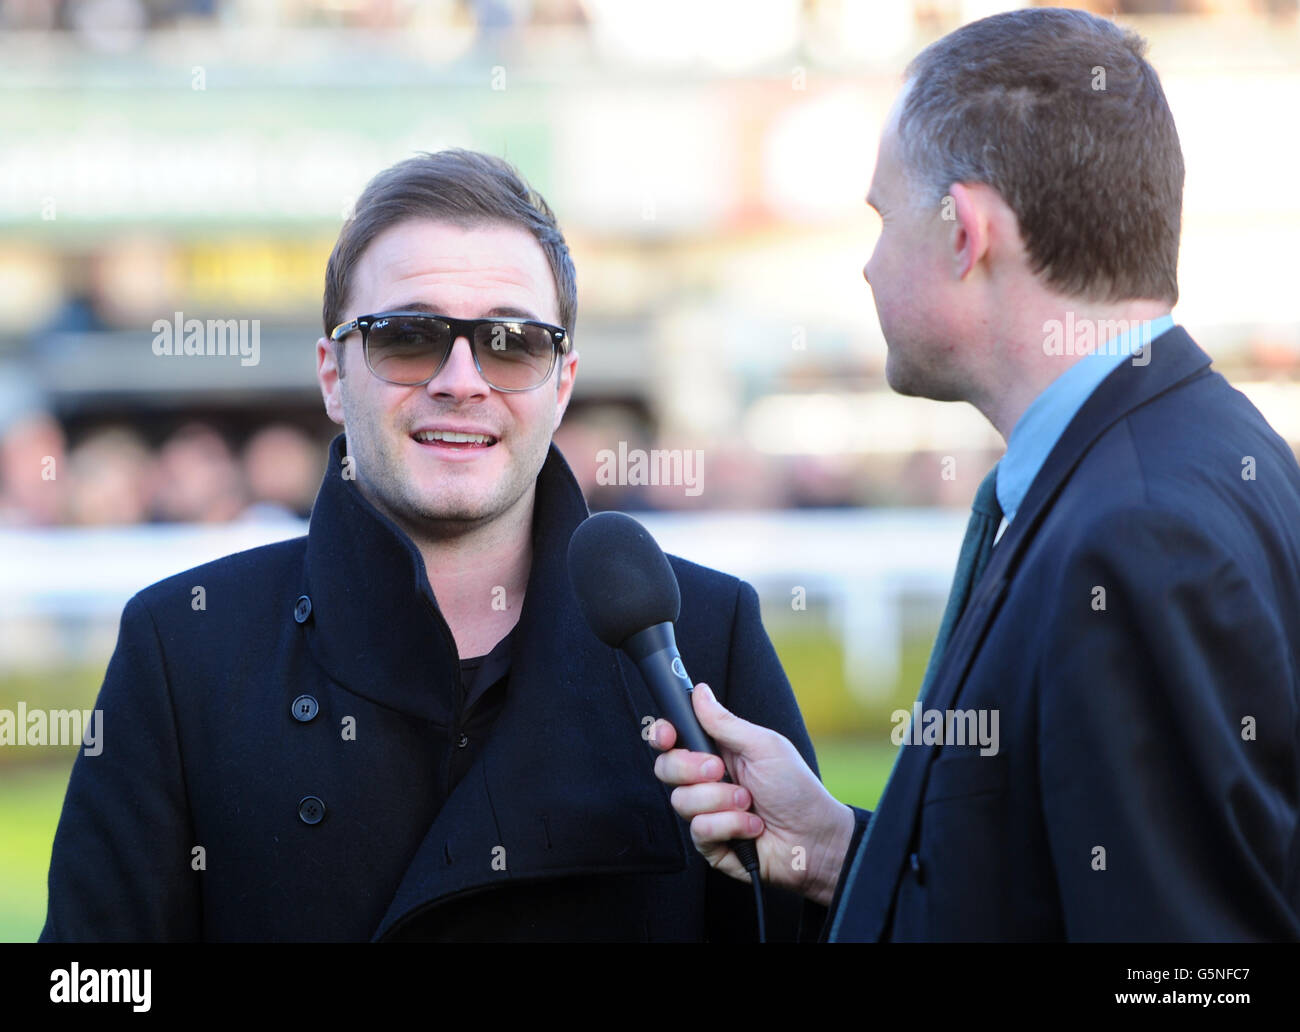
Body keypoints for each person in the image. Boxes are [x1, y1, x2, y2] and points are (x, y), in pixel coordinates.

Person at [40, 149, 821, 942]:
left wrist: (831, 856)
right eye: (408, 337)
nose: (461, 379)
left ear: (563, 383)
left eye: (512, 341)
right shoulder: (184, 647)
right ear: (332, 376)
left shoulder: (705, 635)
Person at [651, 7, 1300, 941]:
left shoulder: (1134, 529)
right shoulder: (1165, 454)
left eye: (881, 218)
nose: (869, 267)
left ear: (967, 233)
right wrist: (839, 851)